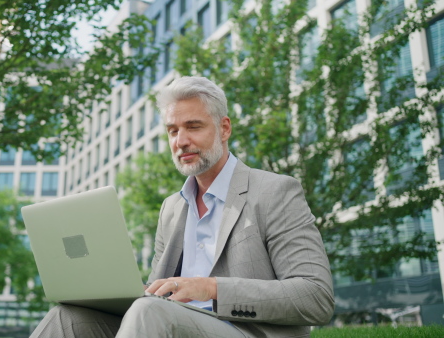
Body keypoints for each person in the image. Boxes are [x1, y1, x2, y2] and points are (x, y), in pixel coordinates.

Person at [31, 76, 334, 337]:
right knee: (67, 317)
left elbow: (316, 297)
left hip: (247, 332)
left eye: (193, 126)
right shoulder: (172, 208)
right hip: (168, 324)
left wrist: (210, 288)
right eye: (173, 131)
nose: (181, 141)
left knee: (151, 312)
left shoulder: (274, 191)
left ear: (224, 128)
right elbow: (155, 293)